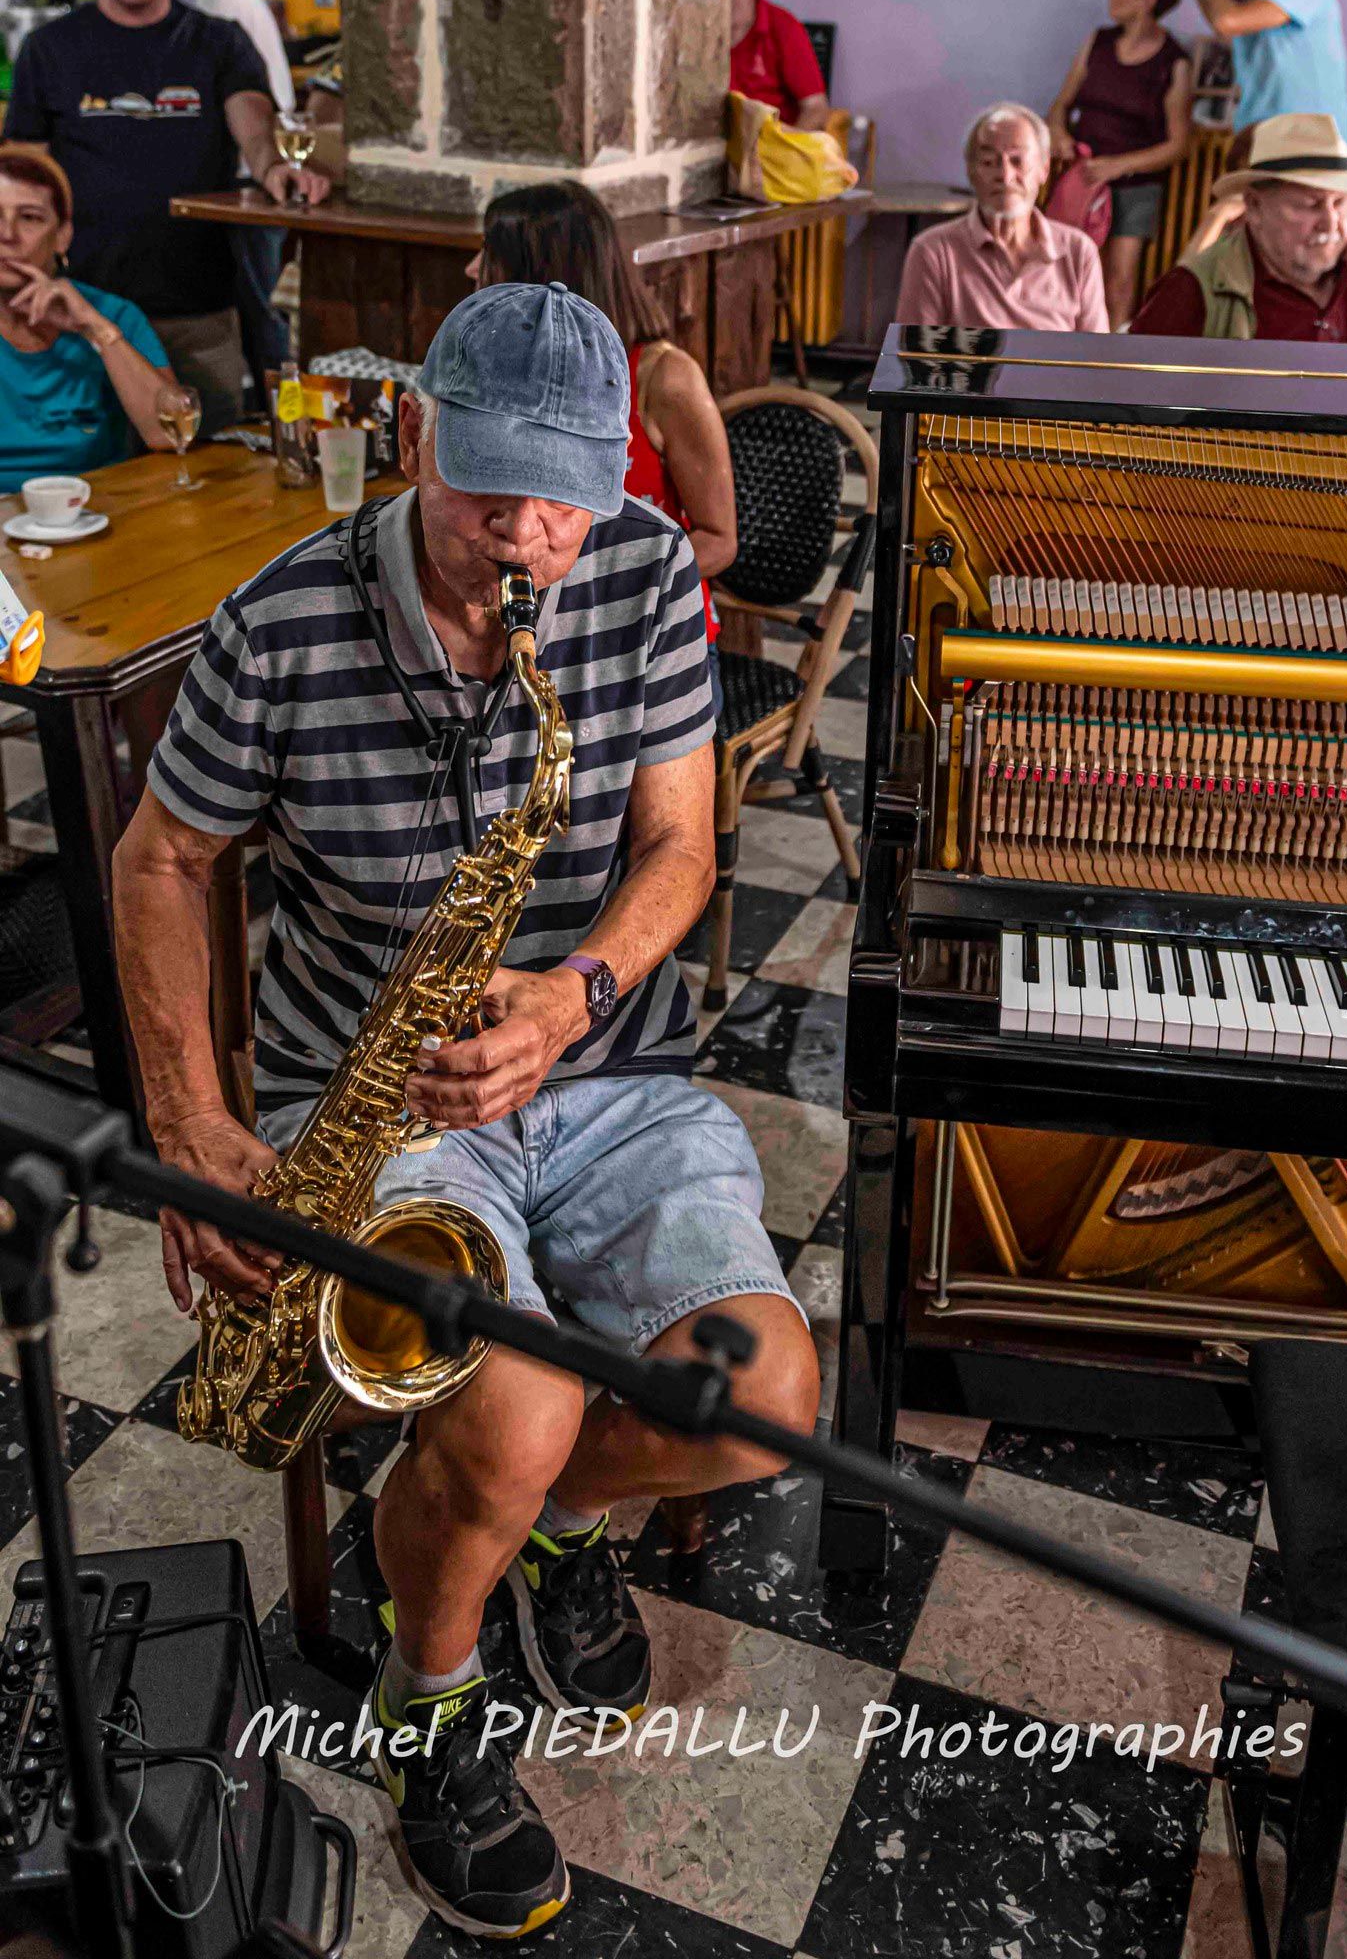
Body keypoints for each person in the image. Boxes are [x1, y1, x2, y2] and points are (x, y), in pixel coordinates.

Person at [111, 280, 819, 1940]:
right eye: (487, 481)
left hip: (602, 1071)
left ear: (616, 464)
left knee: (766, 1392)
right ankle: (429, 1698)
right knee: (509, 1408)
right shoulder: (280, 617)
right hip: (375, 1097)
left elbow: (680, 851)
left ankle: (541, 1527)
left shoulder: (641, 574)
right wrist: (194, 1131)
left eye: (563, 487)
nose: (523, 529)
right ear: (415, 432)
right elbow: (162, 858)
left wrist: (576, 992)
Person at [2, 0, 329, 437]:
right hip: (78, 313)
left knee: (206, 479)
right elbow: (21, 178)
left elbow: (253, 126)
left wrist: (274, 168)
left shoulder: (220, 41)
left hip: (196, 313)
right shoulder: (50, 49)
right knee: (91, 480)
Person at [475, 179, 733, 721]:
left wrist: (607, 588)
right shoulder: (506, 374)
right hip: (535, 637)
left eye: (490, 258)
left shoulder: (663, 377)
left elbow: (719, 538)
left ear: (541, 275)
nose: (473, 272)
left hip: (647, 644)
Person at [0, 141, 181, 491]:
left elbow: (169, 435)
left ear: (62, 237)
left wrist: (96, 330)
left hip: (93, 512)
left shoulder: (114, 315)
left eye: (29, 217)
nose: (7, 235)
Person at [172, 0, 293, 398]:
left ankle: (280, 420)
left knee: (266, 314)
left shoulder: (225, 4)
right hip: (247, 180)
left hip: (251, 181)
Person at [1047, 0, 1193, 329]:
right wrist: (1060, 134)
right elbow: (1060, 106)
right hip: (1083, 178)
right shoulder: (1098, 42)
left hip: (1135, 185)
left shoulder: (1173, 62)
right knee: (1065, 274)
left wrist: (1118, 166)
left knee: (1119, 283)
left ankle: (1110, 365)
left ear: (1147, 0)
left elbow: (1178, 145)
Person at [1130, 112, 1347, 342]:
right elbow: (1131, 378)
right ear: (1254, 206)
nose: (1331, 223)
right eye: (1310, 205)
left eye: (1340, 202)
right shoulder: (1191, 292)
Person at [896, 102, 1109, 333]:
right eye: (989, 162)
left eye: (1018, 161)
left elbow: (1096, 360)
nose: (1005, 176)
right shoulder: (933, 251)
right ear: (970, 171)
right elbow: (915, 360)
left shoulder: (1078, 252)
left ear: (1043, 169)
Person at [1184, 0, 1347, 152]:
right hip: (1266, 148)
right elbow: (1222, 21)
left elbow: (1225, 21)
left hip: (1314, 153)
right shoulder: (1251, 8)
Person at [729, 0, 829, 131]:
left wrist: (786, 143)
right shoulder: (696, 29)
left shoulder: (783, 27)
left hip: (771, 146)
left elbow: (816, 108)